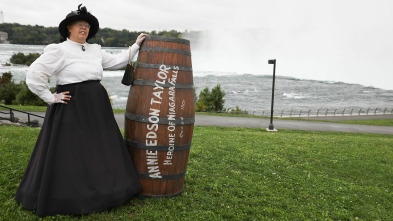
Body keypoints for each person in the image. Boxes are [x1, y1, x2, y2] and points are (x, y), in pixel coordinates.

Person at [14, 4, 146, 216]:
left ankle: (108, 191)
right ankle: (73, 196)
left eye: (86, 25)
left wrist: (136, 46)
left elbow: (115, 62)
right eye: (79, 25)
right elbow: (34, 74)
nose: (83, 28)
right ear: (69, 28)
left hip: (96, 104)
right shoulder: (59, 50)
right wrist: (50, 96)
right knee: (72, 151)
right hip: (71, 105)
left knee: (100, 146)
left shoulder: (95, 50)